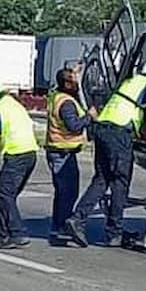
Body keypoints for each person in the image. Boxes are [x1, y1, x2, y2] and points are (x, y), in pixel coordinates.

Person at [64, 62, 146, 248]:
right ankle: (114, 232)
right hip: (119, 133)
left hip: (102, 129)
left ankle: (78, 219)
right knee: (120, 182)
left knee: (101, 179)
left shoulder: (128, 82)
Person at [0, 79, 39, 249]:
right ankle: (1, 235)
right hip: (31, 153)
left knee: (5, 195)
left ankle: (17, 232)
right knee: (7, 197)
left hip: (15, 154)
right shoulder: (14, 104)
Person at [44, 68, 96, 241]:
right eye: (74, 81)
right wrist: (89, 117)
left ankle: (58, 226)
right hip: (61, 152)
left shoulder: (57, 96)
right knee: (67, 191)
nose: (77, 84)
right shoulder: (66, 102)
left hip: (60, 150)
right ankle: (61, 226)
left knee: (64, 192)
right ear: (67, 83)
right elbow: (74, 125)